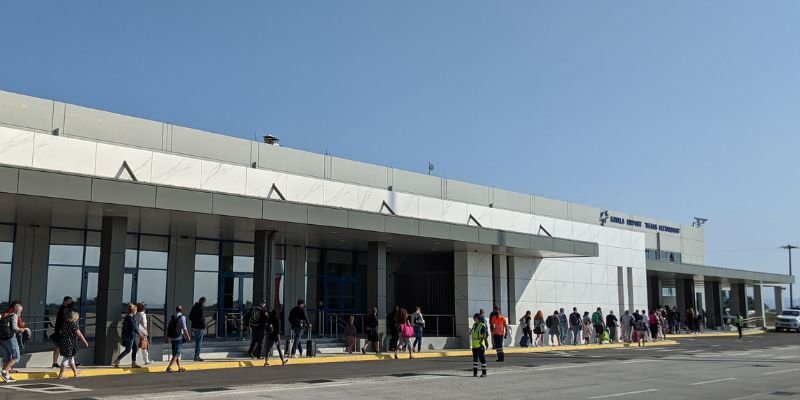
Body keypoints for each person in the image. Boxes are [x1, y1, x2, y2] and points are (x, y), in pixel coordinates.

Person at [0, 303, 27, 383]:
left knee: (7, 357)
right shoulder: (14, 315)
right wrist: (21, 330)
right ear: (17, 310)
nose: (20, 313)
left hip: (2, 339)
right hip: (11, 338)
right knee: (16, 357)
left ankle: (7, 376)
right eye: (20, 311)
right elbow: (14, 327)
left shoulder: (5, 315)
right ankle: (4, 371)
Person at [57, 311, 88, 379]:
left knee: (71, 358)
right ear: (75, 317)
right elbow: (79, 334)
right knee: (66, 359)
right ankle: (61, 374)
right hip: (69, 343)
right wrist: (85, 341)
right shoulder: (73, 324)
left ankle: (75, 372)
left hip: (63, 342)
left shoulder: (65, 323)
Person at [113, 303, 140, 368]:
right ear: (133, 310)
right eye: (136, 310)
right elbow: (134, 327)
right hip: (129, 336)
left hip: (131, 336)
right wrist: (140, 334)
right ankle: (117, 360)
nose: (136, 311)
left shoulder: (129, 317)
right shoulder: (129, 318)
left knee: (135, 348)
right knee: (128, 350)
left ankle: (133, 363)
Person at [166, 305, 191, 373]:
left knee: (175, 353)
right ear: (182, 310)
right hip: (178, 337)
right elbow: (184, 328)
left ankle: (179, 367)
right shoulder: (182, 317)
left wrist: (167, 337)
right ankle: (169, 367)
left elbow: (168, 327)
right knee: (176, 354)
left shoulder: (173, 317)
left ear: (176, 310)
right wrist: (187, 336)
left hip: (172, 338)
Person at [51, 296, 74, 368]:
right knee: (59, 347)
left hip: (63, 331)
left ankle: (70, 362)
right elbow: (64, 321)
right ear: (65, 301)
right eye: (69, 301)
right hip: (60, 331)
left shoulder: (67, 309)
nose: (71, 303)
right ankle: (56, 362)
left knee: (61, 347)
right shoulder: (63, 310)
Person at [188, 297, 206, 362]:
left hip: (194, 327)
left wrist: (194, 321)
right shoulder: (202, 308)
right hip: (200, 327)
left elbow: (190, 316)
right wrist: (204, 325)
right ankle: (196, 356)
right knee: (199, 343)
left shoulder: (194, 307)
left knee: (197, 342)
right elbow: (202, 319)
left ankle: (196, 356)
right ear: (203, 302)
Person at [470, 313, 488, 378]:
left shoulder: (482, 325)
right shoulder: (474, 325)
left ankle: (484, 373)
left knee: (482, 359)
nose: (474, 318)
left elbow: (484, 335)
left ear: (478, 318)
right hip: (474, 345)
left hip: (480, 346)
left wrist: (481, 342)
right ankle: (475, 373)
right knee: (475, 360)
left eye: (475, 317)